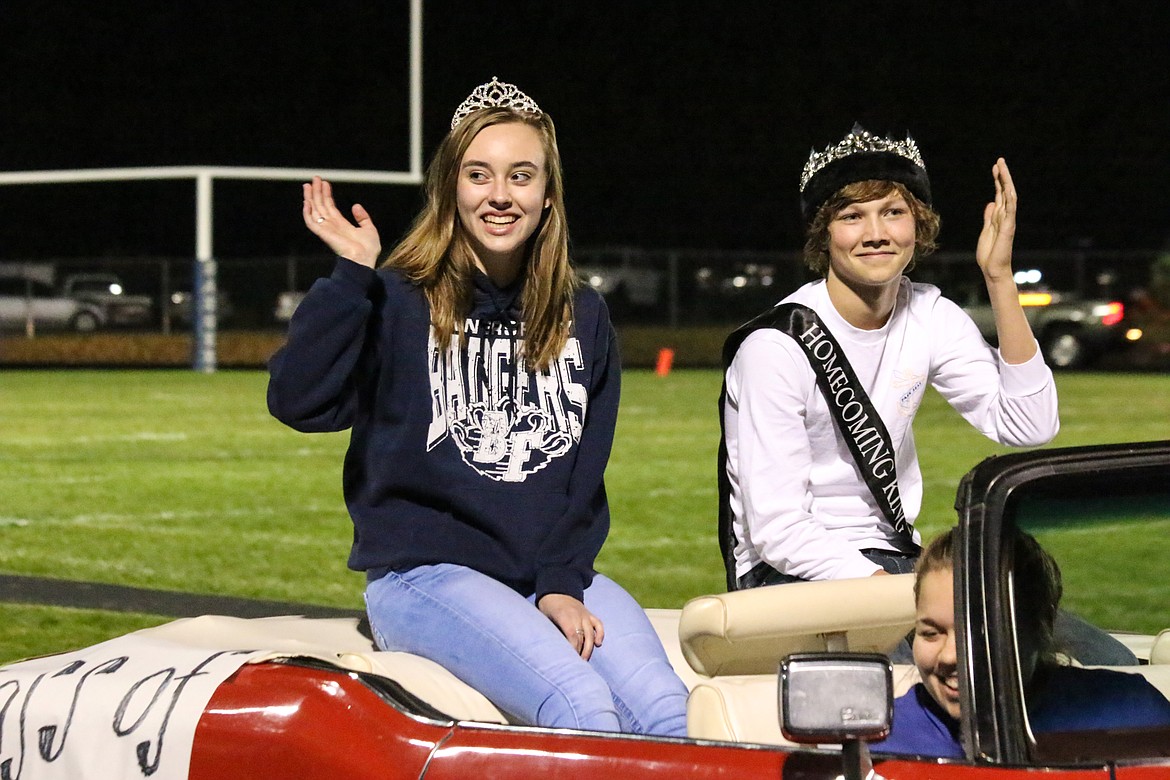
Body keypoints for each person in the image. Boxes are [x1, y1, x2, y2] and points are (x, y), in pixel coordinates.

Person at [267, 77, 688, 735]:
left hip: (544, 572)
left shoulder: (584, 315)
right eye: (479, 174)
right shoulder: (398, 300)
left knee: (669, 715)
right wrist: (351, 277)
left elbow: (583, 479)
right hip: (426, 575)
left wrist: (558, 582)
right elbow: (300, 401)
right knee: (581, 707)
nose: (499, 195)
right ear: (450, 189)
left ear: (548, 196)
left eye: (521, 176)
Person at [718, 125, 1059, 591]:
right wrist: (900, 595)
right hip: (787, 572)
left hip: (892, 557)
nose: (876, 234)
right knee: (965, 653)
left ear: (917, 226)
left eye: (893, 212)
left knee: (1081, 651)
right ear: (824, 235)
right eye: (852, 216)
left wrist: (998, 278)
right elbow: (779, 531)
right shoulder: (775, 348)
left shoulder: (930, 315)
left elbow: (1030, 424)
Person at [877, 528, 1170, 757]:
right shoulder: (880, 739)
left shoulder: (1132, 714)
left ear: (1040, 627)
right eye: (930, 633)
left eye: (978, 632)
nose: (950, 655)